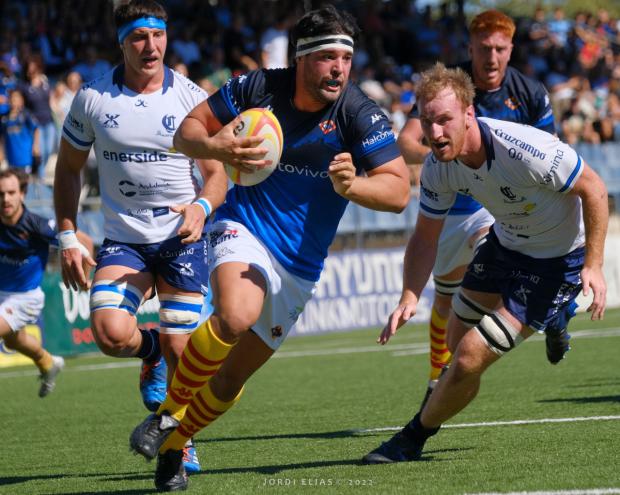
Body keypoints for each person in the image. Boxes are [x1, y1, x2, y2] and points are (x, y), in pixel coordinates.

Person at [129, 5, 411, 491]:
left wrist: (353, 187)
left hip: (301, 266)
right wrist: (221, 149)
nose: (339, 68)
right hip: (243, 228)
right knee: (236, 316)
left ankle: (174, 445)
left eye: (346, 58)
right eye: (327, 57)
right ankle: (168, 415)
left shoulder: (358, 113)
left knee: (230, 380)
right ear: (301, 58)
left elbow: (399, 190)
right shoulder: (257, 88)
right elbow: (187, 132)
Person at [363, 63, 607, 464]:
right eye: (427, 121)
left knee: (468, 358)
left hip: (555, 262)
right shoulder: (438, 166)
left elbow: (594, 189)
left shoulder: (523, 149)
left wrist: (593, 265)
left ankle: (411, 438)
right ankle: (556, 316)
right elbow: (425, 236)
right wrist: (409, 294)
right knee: (458, 353)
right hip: (503, 247)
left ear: (469, 115)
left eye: (445, 120)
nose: (435, 132)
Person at [53, 0, 227, 473]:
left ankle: (179, 439)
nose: (150, 47)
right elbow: (68, 170)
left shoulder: (192, 97)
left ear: (166, 37)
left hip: (182, 238)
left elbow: (216, 173)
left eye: (157, 35)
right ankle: (146, 352)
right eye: (138, 37)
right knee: (110, 334)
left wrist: (202, 206)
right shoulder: (92, 99)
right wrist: (68, 235)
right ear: (121, 41)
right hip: (125, 240)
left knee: (181, 349)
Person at [397, 10, 568, 406]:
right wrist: (444, 151)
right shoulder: (447, 89)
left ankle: (548, 308)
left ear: (510, 50)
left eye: (500, 49)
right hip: (446, 205)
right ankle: (436, 377)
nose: (492, 58)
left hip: (493, 209)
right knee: (444, 302)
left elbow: (553, 157)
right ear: (469, 48)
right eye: (484, 49)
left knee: (492, 253)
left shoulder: (529, 92)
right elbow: (406, 141)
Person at [0, 168, 93, 397]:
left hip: (25, 298)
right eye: (0, 194)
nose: (5, 199)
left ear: (22, 194)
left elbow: (84, 241)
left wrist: (85, 277)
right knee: (14, 341)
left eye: (11, 192)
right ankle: (48, 363)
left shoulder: (36, 224)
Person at [0, 89, 40, 174]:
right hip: (11, 158)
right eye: (11, 99)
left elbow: (36, 129)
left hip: (25, 158)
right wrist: (1, 151)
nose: (13, 101)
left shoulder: (25, 115)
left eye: (16, 99)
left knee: (25, 183)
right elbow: (2, 137)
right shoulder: (4, 118)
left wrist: (36, 146)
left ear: (21, 101)